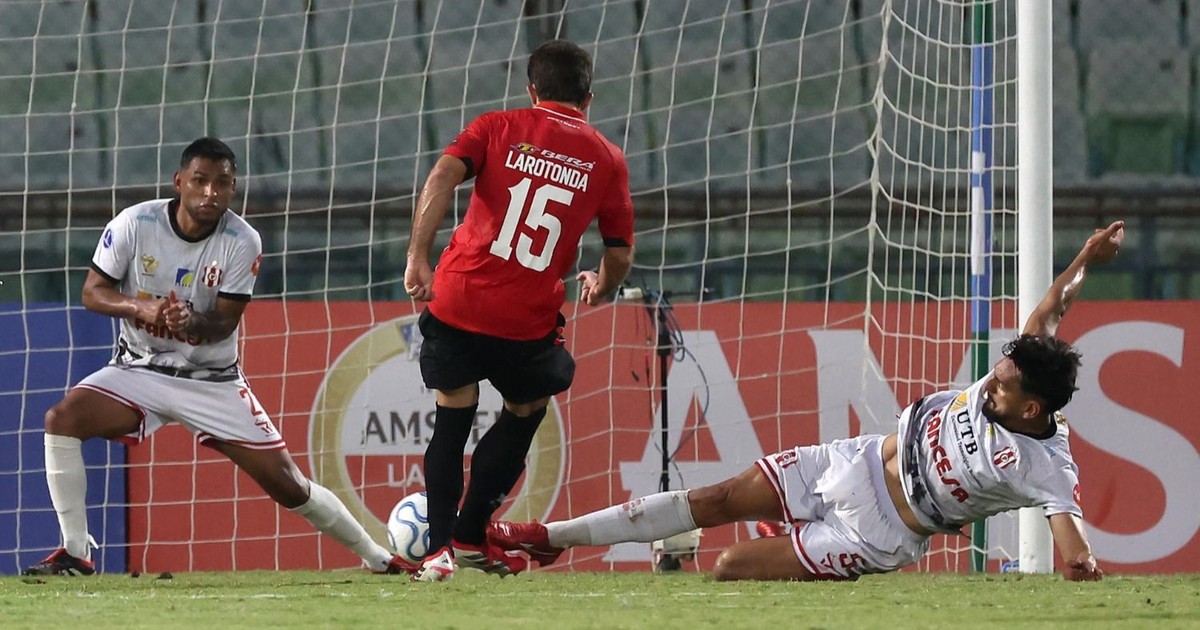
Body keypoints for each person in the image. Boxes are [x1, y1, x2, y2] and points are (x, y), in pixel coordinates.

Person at [490, 222, 1126, 582]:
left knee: (728, 568)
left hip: (877, 532)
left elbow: (1074, 552)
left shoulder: (1046, 466)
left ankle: (793, 537)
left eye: (1003, 386)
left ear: (1033, 411)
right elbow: (1052, 308)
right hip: (853, 460)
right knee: (715, 498)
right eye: (998, 373)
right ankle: (549, 538)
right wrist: (1086, 257)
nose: (990, 383)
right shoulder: (1022, 372)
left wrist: (1084, 569)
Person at [24, 137, 410, 576]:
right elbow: (93, 293)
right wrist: (140, 308)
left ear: (233, 187)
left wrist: (189, 321)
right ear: (179, 182)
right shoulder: (135, 223)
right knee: (62, 419)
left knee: (289, 485)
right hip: (138, 370)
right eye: (200, 181)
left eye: (222, 184)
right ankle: (76, 553)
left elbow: (224, 323)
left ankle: (376, 556)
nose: (210, 193)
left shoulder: (242, 239)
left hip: (211, 380)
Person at [403, 39, 635, 582]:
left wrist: (417, 256)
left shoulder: (495, 126)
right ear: (588, 98)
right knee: (525, 409)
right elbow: (621, 252)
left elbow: (441, 177)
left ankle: (437, 553)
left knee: (451, 416)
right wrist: (601, 284)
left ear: (532, 90)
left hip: (458, 300)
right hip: (524, 320)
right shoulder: (606, 157)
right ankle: (470, 536)